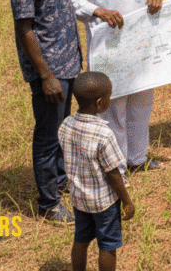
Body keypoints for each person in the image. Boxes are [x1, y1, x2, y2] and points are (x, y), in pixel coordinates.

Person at [68, 0, 163, 171]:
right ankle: (117, 166)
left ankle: (137, 158)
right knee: (113, 106)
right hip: (109, 42)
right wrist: (98, 11)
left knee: (142, 100)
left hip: (138, 38)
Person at [7, 0, 82, 223]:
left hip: (67, 60)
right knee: (48, 134)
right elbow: (24, 28)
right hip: (50, 66)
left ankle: (61, 180)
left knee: (62, 129)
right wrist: (45, 75)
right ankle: (48, 203)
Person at [59, 72, 135, 271]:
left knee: (81, 240)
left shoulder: (66, 125)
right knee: (108, 245)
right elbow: (113, 173)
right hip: (104, 203)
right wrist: (126, 201)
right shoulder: (104, 135)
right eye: (109, 96)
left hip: (79, 198)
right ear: (100, 103)